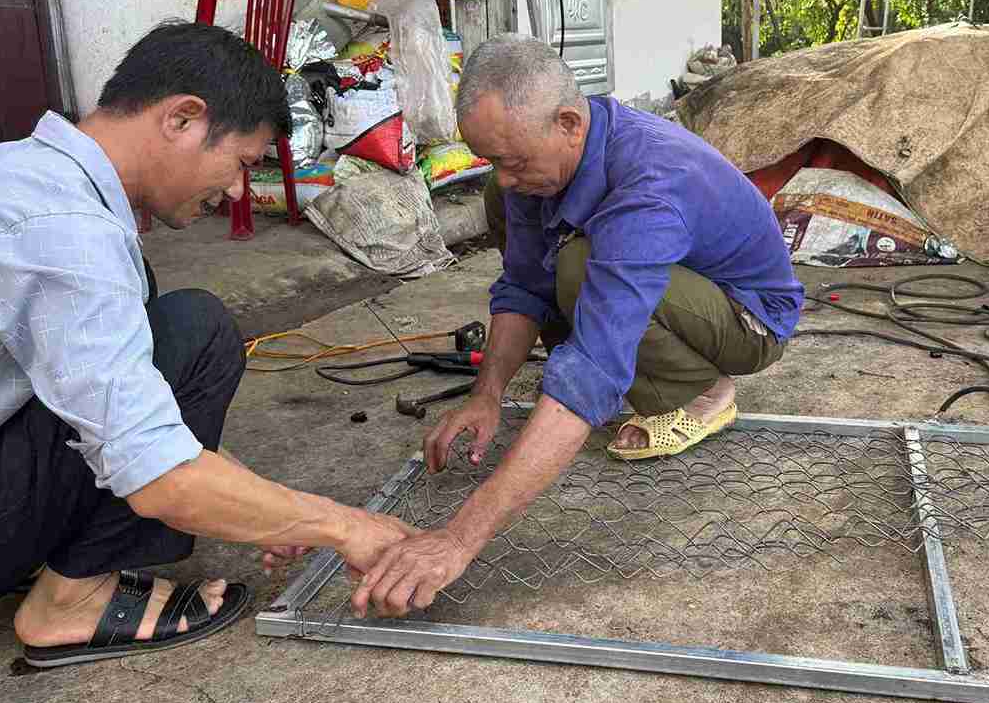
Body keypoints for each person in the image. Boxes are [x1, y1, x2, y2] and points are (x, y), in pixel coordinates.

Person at [0, 22, 415, 668]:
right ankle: (67, 602)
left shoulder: (25, 171)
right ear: (182, 118)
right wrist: (341, 525)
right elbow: (156, 474)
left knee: (148, 309)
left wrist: (265, 506)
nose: (236, 191)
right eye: (241, 164)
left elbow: (124, 398)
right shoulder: (67, 234)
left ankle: (44, 559)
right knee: (195, 333)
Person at [344, 34, 803, 619]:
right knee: (535, 235)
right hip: (679, 282)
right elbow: (522, 285)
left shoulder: (649, 187)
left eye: (513, 161)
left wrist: (458, 539)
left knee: (580, 268)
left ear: (568, 123)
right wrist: (487, 395)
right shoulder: (540, 162)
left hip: (749, 319)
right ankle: (627, 375)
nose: (506, 178)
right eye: (494, 160)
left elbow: (593, 367)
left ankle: (706, 393)